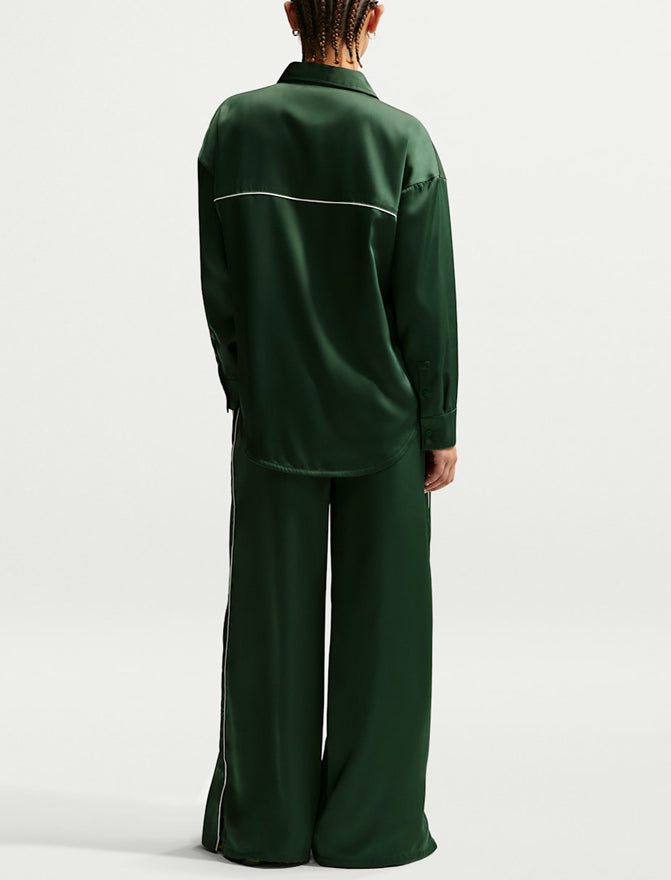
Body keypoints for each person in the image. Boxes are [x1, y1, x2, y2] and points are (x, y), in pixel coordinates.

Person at [197, 0, 458, 869]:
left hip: (273, 418)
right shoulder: (402, 141)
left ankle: (264, 828)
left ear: (289, 13)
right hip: (386, 426)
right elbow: (425, 302)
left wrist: (248, 390)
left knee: (266, 626)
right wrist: (439, 423)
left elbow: (220, 285)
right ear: (374, 17)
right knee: (386, 635)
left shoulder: (234, 127)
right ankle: (369, 832)